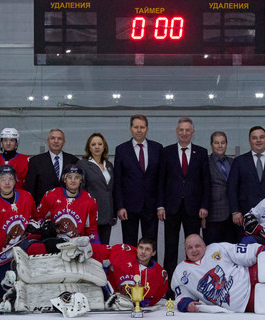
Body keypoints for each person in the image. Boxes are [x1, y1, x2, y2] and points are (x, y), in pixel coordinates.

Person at [0, 164, 39, 302]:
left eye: (10, 179)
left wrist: (35, 226)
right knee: (3, 292)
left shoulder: (26, 197)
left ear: (15, 181)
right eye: (3, 179)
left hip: (21, 251)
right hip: (0, 258)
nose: (7, 183)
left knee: (37, 247)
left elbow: (35, 218)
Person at [157, 117, 210, 276]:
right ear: (176, 131)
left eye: (188, 130)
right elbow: (160, 181)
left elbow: (206, 182)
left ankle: (193, 279)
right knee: (170, 247)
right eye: (181, 130)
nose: (184, 133)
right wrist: (160, 205)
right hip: (171, 208)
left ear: (192, 132)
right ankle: (169, 284)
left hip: (194, 208)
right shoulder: (166, 152)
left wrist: (204, 205)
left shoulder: (201, 152)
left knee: (193, 247)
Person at [171, 234, 260, 313]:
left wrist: (263, 251)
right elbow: (181, 297)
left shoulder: (217, 248)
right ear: (185, 250)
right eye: (190, 247)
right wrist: (187, 304)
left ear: (204, 246)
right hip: (246, 302)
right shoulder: (180, 271)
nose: (194, 250)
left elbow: (249, 252)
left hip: (253, 275)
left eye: (197, 246)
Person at [113, 114, 164, 246]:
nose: (139, 130)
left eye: (142, 127)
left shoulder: (157, 148)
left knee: (150, 244)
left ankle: (151, 261)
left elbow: (160, 180)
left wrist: (160, 205)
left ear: (147, 129)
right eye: (136, 127)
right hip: (129, 207)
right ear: (131, 129)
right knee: (129, 244)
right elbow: (118, 181)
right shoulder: (121, 150)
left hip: (151, 205)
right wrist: (120, 206)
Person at [226, 126, 265, 239]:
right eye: (254, 138)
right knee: (246, 245)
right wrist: (235, 211)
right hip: (245, 215)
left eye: (261, 137)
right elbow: (232, 188)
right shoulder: (239, 161)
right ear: (249, 141)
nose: (258, 140)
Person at [91, 237, 168, 308]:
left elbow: (154, 298)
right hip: (105, 295)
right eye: (141, 247)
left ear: (153, 253)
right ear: (137, 248)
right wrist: (88, 248)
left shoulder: (160, 274)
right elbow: (100, 251)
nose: (143, 252)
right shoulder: (123, 252)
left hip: (128, 307)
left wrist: (139, 302)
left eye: (147, 249)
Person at [37, 165, 99, 243]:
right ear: (64, 179)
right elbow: (38, 217)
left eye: (77, 177)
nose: (73, 181)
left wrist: (96, 247)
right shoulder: (51, 195)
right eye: (69, 177)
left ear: (81, 180)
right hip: (53, 241)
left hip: (77, 243)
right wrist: (45, 224)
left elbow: (92, 231)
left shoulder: (89, 200)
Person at [77, 132, 115, 245]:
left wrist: (113, 213)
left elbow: (111, 189)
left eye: (100, 144)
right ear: (89, 148)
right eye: (93, 144)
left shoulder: (109, 165)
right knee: (92, 248)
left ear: (104, 147)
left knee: (104, 246)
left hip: (107, 214)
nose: (97, 147)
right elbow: (81, 189)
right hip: (92, 213)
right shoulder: (83, 164)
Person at [25, 128, 79, 202]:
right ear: (48, 141)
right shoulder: (35, 161)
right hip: (43, 206)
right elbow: (30, 188)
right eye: (53, 138)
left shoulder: (73, 160)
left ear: (64, 142)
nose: (56, 141)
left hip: (68, 206)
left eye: (59, 138)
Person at [204, 131, 235, 245]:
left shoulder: (233, 162)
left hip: (232, 215)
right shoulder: (205, 163)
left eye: (223, 142)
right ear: (211, 145)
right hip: (213, 215)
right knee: (213, 250)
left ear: (226, 144)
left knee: (230, 249)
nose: (220, 145)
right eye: (216, 143)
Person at [0, 127, 31, 195]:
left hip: (18, 198)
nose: (8, 143)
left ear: (16, 143)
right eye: (5, 140)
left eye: (12, 140)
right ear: (1, 142)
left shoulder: (26, 161)